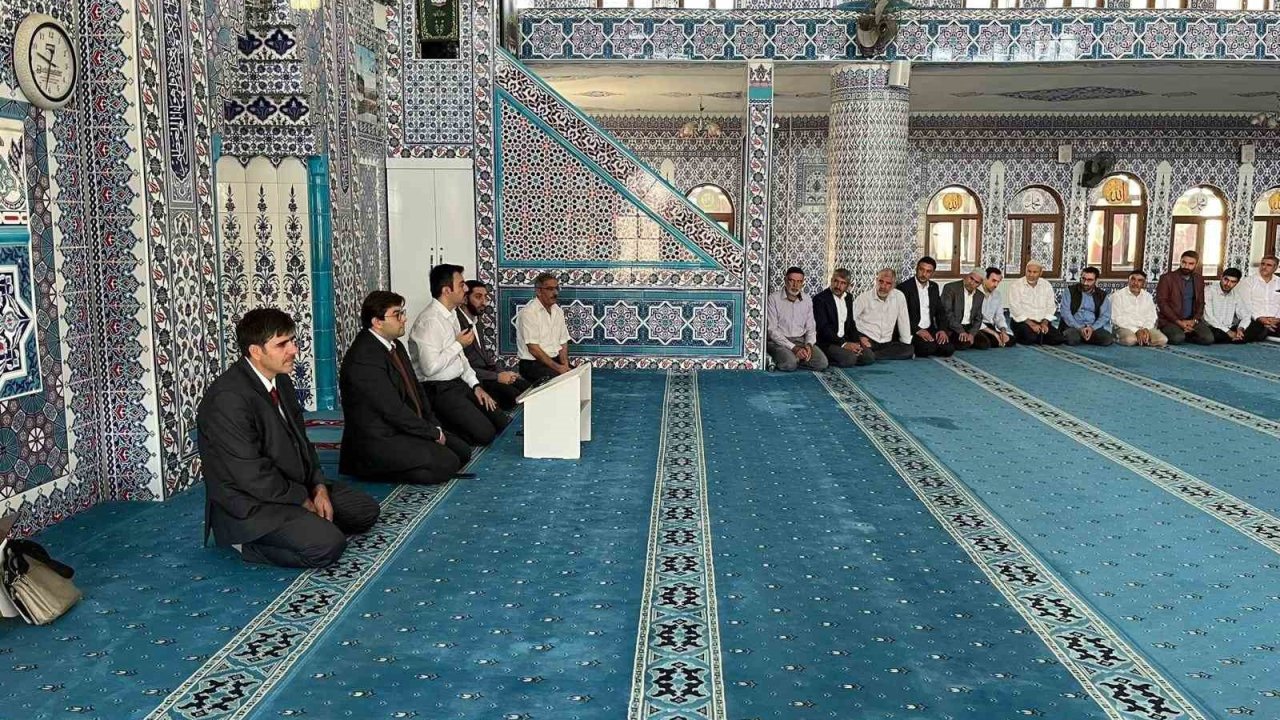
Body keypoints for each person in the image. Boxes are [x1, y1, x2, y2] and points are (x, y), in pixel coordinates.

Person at [197, 308, 380, 569]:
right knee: (327, 546)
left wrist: (318, 486)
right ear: (256, 351)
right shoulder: (227, 399)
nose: (294, 350)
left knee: (364, 511)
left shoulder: (280, 380)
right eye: (282, 344)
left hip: (292, 485)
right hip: (252, 504)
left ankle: (304, 525)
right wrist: (302, 499)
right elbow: (250, 475)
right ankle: (247, 544)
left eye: (292, 341)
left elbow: (302, 442)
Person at [339, 291, 473, 486]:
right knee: (447, 462)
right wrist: (431, 434)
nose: (404, 319)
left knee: (462, 451)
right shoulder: (364, 358)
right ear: (377, 322)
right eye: (397, 314)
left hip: (403, 427)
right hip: (380, 438)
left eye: (402, 312)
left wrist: (433, 426)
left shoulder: (395, 345)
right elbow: (392, 410)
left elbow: (416, 390)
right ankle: (372, 469)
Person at [408, 265, 510, 446]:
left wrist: (475, 385)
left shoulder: (452, 315)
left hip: (458, 383)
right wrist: (458, 345)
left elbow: (461, 358)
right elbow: (430, 368)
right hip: (437, 389)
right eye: (461, 285)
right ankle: (438, 424)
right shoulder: (429, 321)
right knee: (484, 435)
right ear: (447, 291)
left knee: (501, 422)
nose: (466, 288)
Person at [458, 280, 530, 409]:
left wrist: (504, 373)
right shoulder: (457, 323)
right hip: (475, 380)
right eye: (478, 297)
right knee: (515, 396)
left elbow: (485, 358)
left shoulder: (477, 322)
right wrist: (497, 377)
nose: (484, 302)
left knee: (527, 388)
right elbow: (462, 366)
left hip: (488, 375)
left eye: (485, 297)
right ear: (465, 299)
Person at [766, 266, 829, 371]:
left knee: (822, 363)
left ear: (803, 283)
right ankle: (788, 359)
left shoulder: (807, 299)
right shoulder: (773, 298)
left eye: (799, 282)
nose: (795, 285)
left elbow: (811, 328)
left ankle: (795, 359)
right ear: (785, 280)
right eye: (792, 281)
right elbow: (772, 330)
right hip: (779, 342)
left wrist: (808, 345)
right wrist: (794, 348)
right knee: (790, 364)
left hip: (800, 341)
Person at [515, 272, 571, 385]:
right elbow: (533, 349)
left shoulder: (558, 311)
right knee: (560, 382)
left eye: (556, 288)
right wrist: (558, 368)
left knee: (578, 376)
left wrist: (565, 365)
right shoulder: (529, 313)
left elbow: (563, 342)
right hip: (532, 364)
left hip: (554, 361)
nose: (555, 293)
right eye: (550, 289)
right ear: (538, 291)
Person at [812, 268, 873, 368]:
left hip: (845, 339)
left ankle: (846, 354)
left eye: (843, 283)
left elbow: (851, 323)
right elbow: (823, 328)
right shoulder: (820, 299)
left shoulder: (848, 298)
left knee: (868, 356)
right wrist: (844, 344)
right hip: (828, 342)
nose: (838, 286)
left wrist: (856, 342)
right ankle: (829, 358)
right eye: (836, 281)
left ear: (848, 285)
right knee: (850, 359)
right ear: (831, 280)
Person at [850, 268, 915, 360]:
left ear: (893, 285)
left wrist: (906, 344)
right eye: (881, 281)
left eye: (888, 283)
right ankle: (872, 355)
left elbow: (904, 321)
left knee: (909, 349)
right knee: (865, 351)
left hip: (886, 342)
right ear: (876, 281)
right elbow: (849, 320)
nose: (883, 286)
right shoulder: (864, 298)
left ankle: (873, 356)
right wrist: (858, 338)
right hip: (867, 339)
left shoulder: (899, 296)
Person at [897, 256, 954, 358]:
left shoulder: (934, 287)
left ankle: (931, 345)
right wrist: (918, 330)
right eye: (921, 270)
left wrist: (942, 330)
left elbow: (940, 312)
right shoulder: (904, 287)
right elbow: (901, 316)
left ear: (932, 273)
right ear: (916, 269)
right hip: (912, 330)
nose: (924, 274)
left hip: (929, 328)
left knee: (948, 349)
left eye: (928, 271)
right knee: (927, 348)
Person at [1155, 250, 1214, 345]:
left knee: (1208, 339)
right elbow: (1162, 303)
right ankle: (1181, 333)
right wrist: (1178, 322)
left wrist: (1194, 320)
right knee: (1177, 338)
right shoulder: (1167, 278)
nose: (1186, 266)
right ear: (1180, 261)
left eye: (1191, 264)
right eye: (1184, 262)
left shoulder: (1199, 279)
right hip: (1171, 321)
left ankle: (1186, 332)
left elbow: (1201, 303)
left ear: (1196, 264)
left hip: (1191, 320)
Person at [1006, 261, 1064, 345]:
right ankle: (1037, 336)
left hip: (1042, 322)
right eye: (1029, 271)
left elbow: (1051, 307)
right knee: (1030, 338)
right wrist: (1032, 324)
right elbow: (1015, 309)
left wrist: (1045, 323)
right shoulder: (1016, 285)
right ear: (1025, 271)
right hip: (1023, 322)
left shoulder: (1046, 285)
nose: (1031, 275)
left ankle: (1039, 335)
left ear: (1040, 273)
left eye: (1035, 272)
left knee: (1058, 339)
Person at [1109, 271, 1168, 347]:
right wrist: (1136, 330)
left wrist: (1146, 329)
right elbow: (1116, 318)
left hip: (1144, 327)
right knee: (1130, 340)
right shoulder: (1118, 296)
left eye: (1139, 280)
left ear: (1144, 283)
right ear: (1128, 281)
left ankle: (1141, 339)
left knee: (1162, 340)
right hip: (1125, 327)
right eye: (1133, 279)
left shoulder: (1148, 296)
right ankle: (1136, 339)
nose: (1135, 283)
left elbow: (1152, 316)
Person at [1058, 266, 1114, 346]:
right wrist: (1079, 328)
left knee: (1107, 339)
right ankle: (1084, 337)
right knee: (1072, 339)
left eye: (1089, 280)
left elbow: (1105, 316)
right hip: (1074, 326)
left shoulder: (1102, 295)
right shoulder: (1070, 291)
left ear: (1096, 281)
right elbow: (1065, 313)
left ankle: (1086, 336)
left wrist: (1092, 328)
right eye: (1083, 279)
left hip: (1092, 326)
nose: (1085, 283)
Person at [1204, 268, 1256, 344]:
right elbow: (1209, 318)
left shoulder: (1235, 294)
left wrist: (1240, 328)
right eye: (1226, 280)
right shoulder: (1209, 291)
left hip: (1230, 327)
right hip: (1213, 327)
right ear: (1221, 277)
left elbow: (1245, 315)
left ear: (1237, 283)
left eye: (1233, 282)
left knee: (1256, 326)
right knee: (1215, 335)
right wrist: (1228, 331)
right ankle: (1237, 338)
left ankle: (1236, 336)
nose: (1228, 284)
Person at [941, 271, 990, 350]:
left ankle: (966, 339)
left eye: (976, 282)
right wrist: (961, 331)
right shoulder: (950, 288)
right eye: (971, 278)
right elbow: (947, 312)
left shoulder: (980, 295)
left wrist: (972, 334)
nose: (972, 283)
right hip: (953, 326)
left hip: (969, 327)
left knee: (985, 344)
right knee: (963, 344)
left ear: (979, 284)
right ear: (966, 276)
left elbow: (978, 317)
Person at [1241, 255, 1280, 341]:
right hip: (1255, 319)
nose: (1264, 267)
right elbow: (1246, 304)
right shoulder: (1248, 281)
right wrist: (1259, 318)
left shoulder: (1279, 282)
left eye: (1269, 265)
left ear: (1275, 268)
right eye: (1262, 264)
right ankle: (1265, 331)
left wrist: (1277, 319)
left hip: (1276, 320)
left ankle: (1267, 330)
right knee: (1243, 337)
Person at [978, 267, 1017, 349]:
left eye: (998, 282)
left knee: (1011, 339)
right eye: (993, 281)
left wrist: (1003, 332)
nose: (996, 285)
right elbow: (973, 320)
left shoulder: (997, 295)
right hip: (976, 326)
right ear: (985, 279)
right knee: (985, 343)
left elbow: (999, 315)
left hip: (989, 326)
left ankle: (995, 339)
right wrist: (994, 333)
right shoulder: (975, 293)